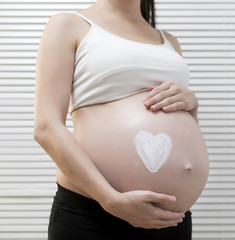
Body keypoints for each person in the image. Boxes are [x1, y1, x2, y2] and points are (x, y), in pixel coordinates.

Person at [33, 0, 209, 239]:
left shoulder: (169, 41)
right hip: (93, 213)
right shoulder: (70, 25)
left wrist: (192, 105)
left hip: (170, 220)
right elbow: (46, 127)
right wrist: (110, 199)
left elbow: (185, 131)